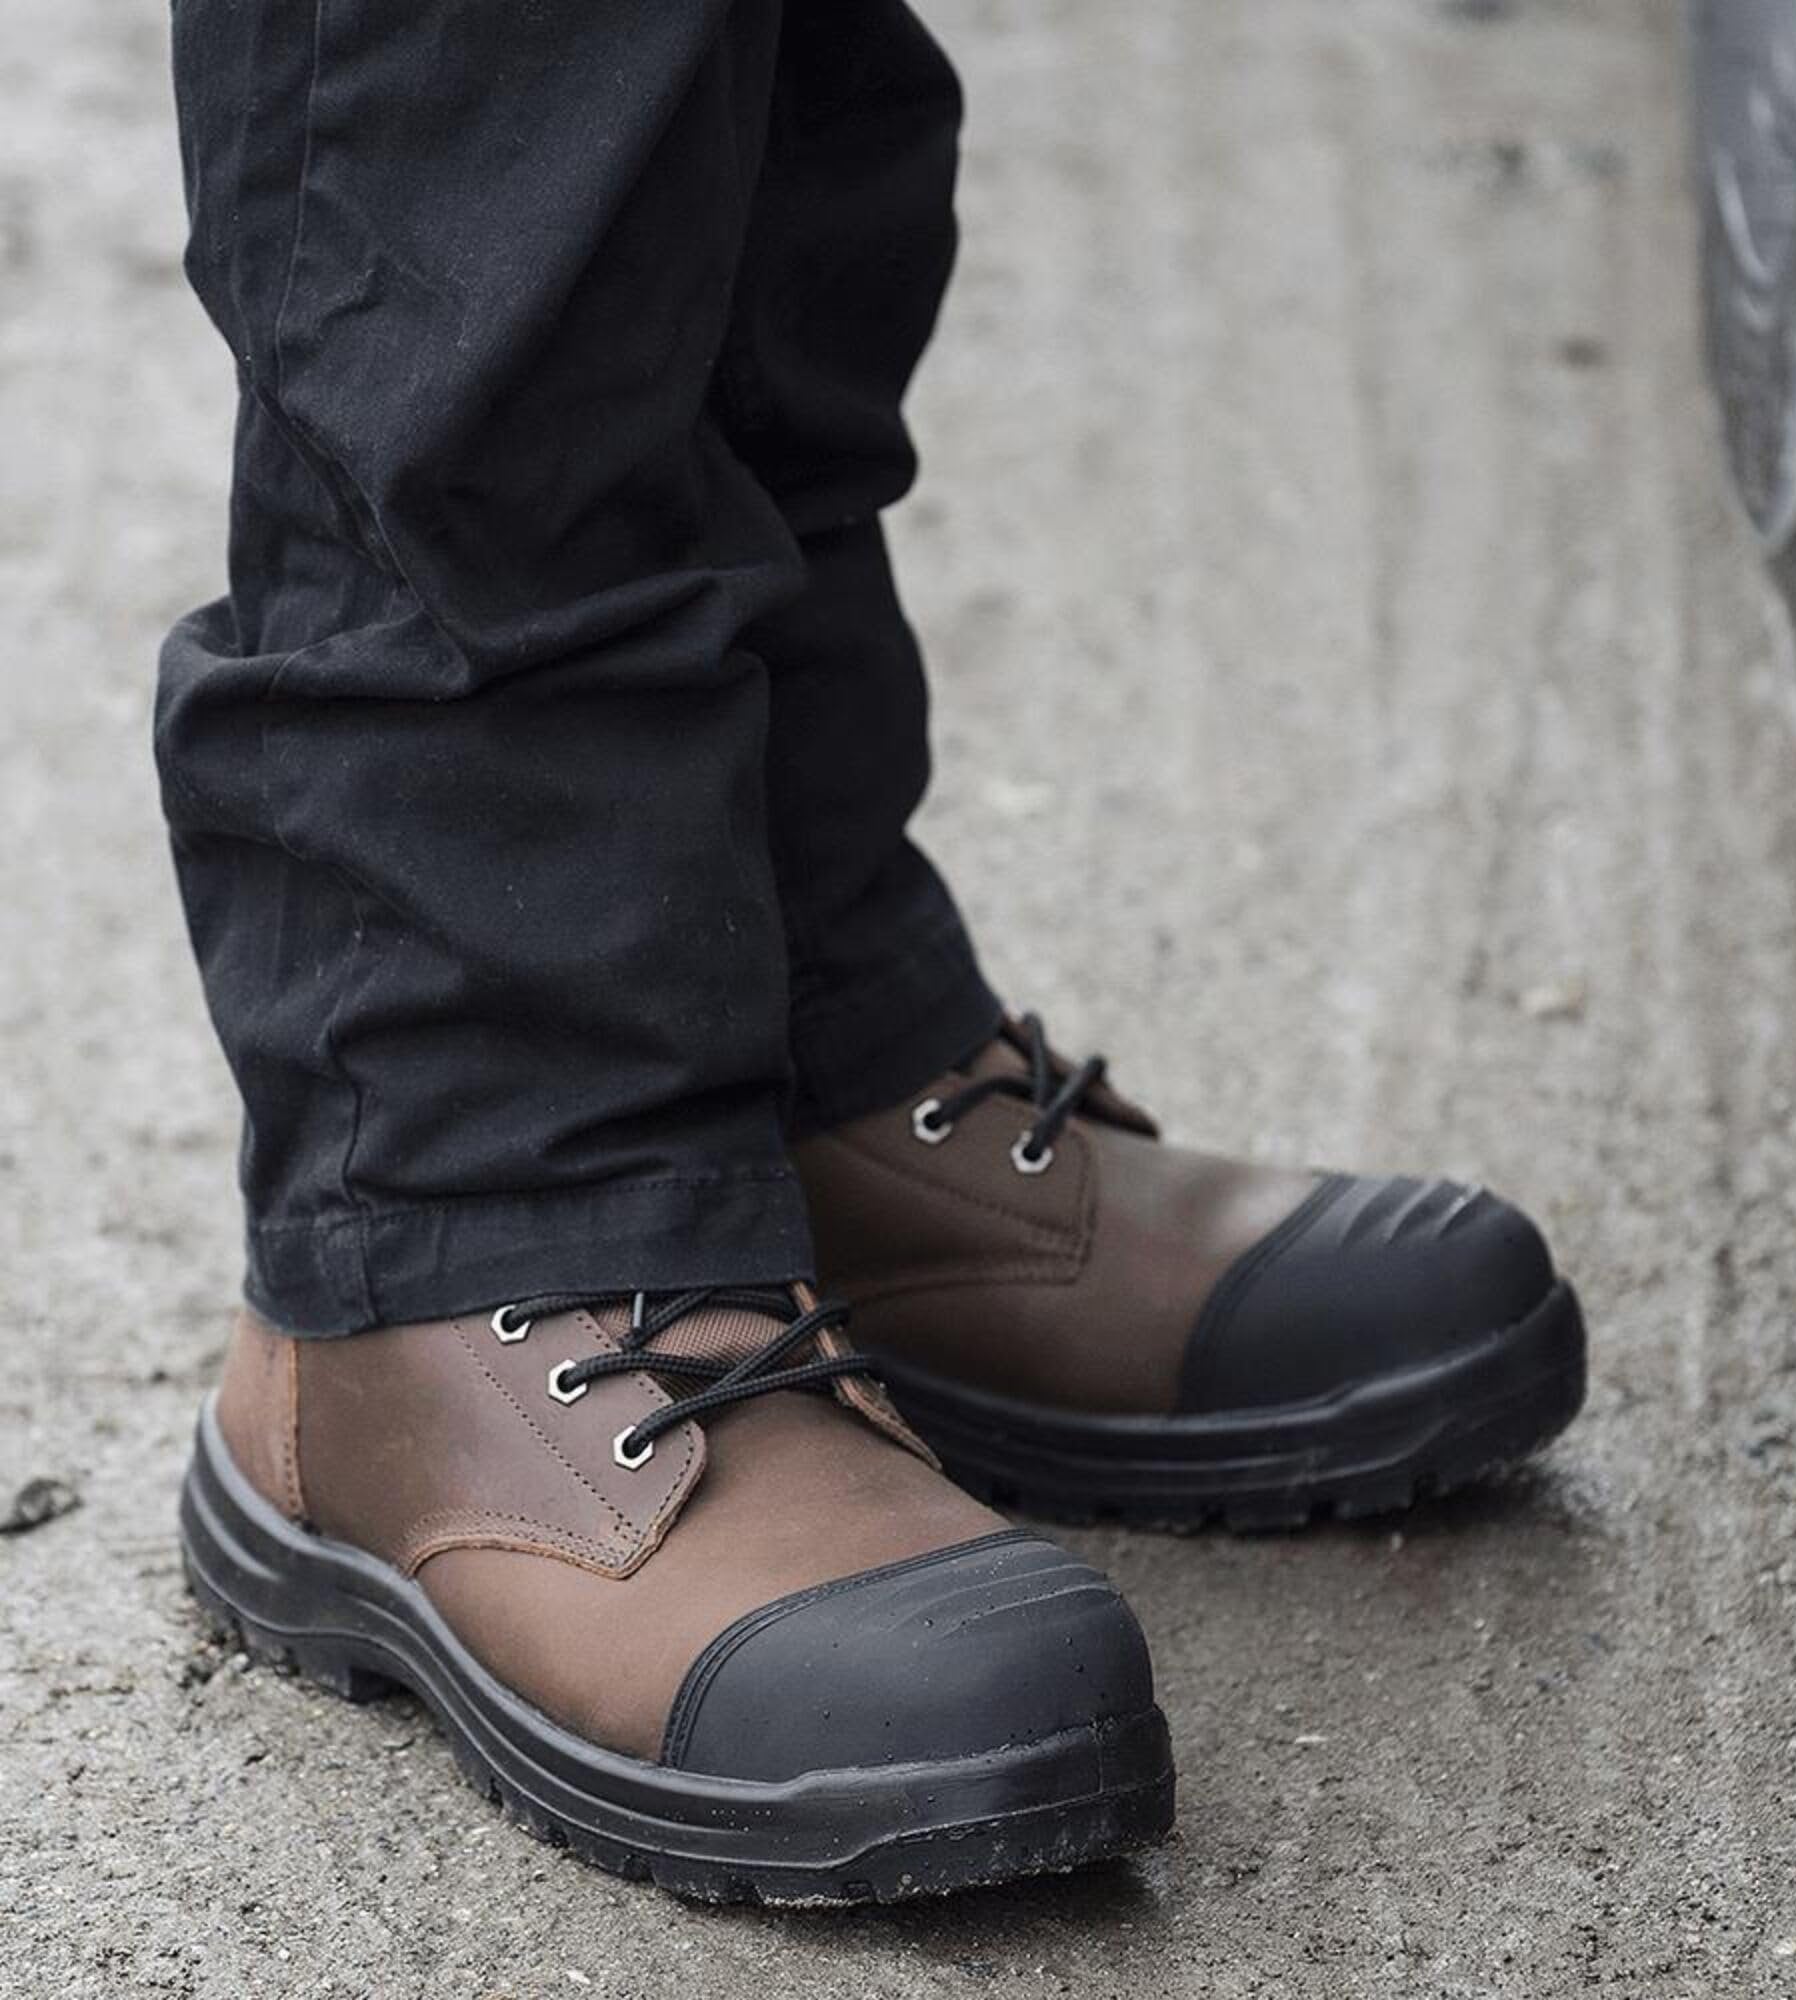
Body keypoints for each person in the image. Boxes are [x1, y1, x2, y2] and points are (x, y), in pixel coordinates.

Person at [159, 0, 1587, 1903]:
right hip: (451, 1202)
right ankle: (470, 1209)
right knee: (506, 88)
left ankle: (789, 1068)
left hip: (789, 974)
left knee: (754, 91)